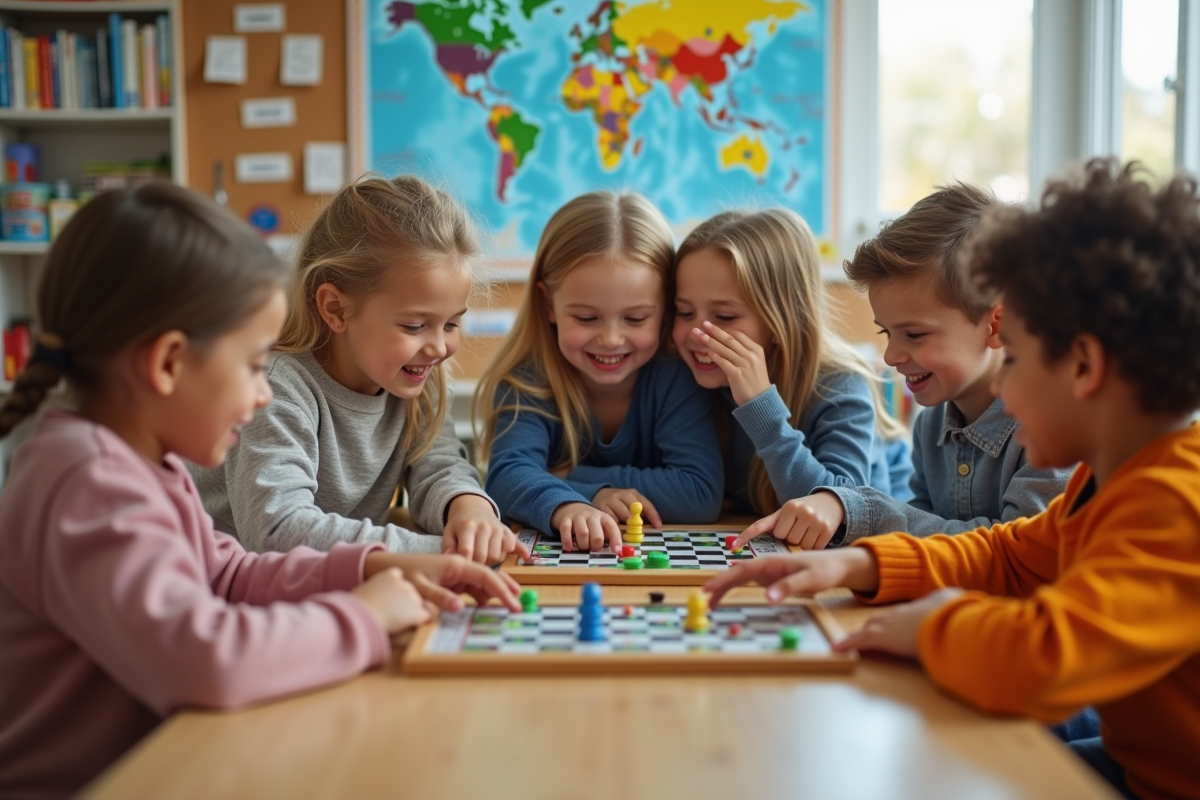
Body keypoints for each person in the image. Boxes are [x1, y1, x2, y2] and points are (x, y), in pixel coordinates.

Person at [0, 184, 521, 798]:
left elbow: (230, 577)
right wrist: (362, 615)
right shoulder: (88, 483)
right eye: (251, 365)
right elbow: (206, 659)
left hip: (166, 760)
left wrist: (388, 563)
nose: (263, 391)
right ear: (169, 363)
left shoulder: (140, 463)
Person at [707, 160, 1200, 800]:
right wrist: (856, 567)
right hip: (1137, 762)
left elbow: (1045, 657)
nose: (1006, 390)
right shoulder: (1110, 482)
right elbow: (1007, 556)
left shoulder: (1174, 503)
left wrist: (932, 626)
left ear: (1083, 367)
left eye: (1015, 357)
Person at [194, 175, 523, 564]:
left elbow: (439, 466)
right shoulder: (274, 388)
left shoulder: (416, 376)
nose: (439, 347)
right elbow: (277, 531)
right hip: (228, 592)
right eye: (414, 326)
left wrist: (469, 509)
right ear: (336, 309)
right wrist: (442, 551)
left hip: (331, 582)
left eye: (451, 324)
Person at [734, 183, 1070, 551]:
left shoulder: (1055, 429)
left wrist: (862, 512)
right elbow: (921, 538)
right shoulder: (932, 422)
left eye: (913, 334)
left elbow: (1016, 553)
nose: (892, 355)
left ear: (996, 326)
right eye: (887, 333)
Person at [477, 192, 724, 553]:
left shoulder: (676, 377)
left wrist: (570, 478)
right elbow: (504, 477)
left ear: (665, 308)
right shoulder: (529, 378)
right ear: (549, 304)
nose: (610, 339)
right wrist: (572, 501)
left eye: (636, 318)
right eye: (587, 318)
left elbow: (699, 493)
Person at [672, 208, 912, 517]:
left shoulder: (840, 386)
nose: (698, 334)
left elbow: (843, 513)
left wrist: (760, 406)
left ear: (780, 319)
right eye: (684, 312)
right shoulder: (687, 381)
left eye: (725, 317)